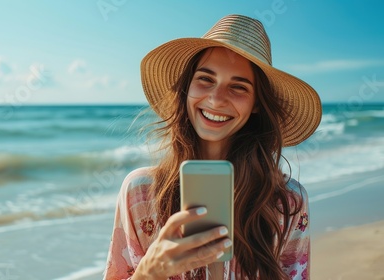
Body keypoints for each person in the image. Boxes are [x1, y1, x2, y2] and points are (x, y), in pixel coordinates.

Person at [103, 14, 321, 280]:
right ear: (186, 89)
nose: (216, 100)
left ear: (256, 105)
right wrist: (148, 273)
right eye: (205, 79)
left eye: (238, 87)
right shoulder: (140, 193)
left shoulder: (287, 201)